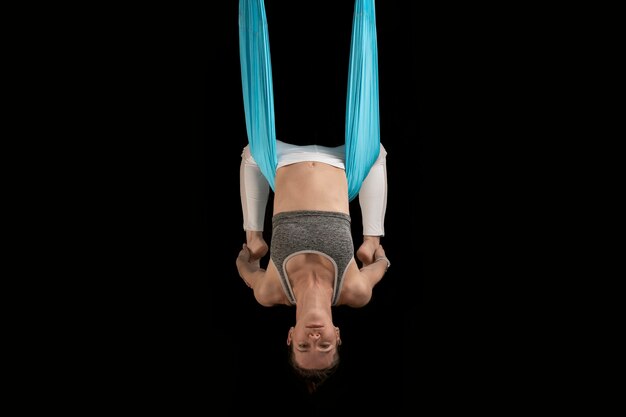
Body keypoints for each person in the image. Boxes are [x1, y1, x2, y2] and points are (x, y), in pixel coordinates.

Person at [235, 0, 390, 394]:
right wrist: (373, 248)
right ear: (339, 336)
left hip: (280, 161)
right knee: (377, 154)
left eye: (305, 345)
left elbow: (246, 271)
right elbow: (380, 267)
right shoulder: (354, 291)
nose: (315, 338)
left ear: (290, 336)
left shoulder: (272, 291)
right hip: (345, 167)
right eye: (324, 345)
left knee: (252, 155)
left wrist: (251, 244)